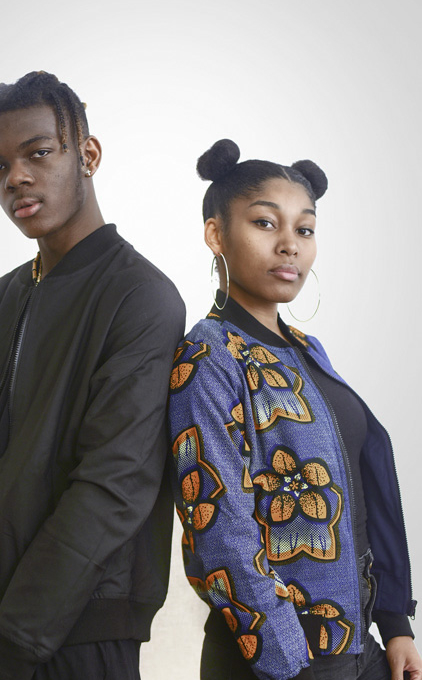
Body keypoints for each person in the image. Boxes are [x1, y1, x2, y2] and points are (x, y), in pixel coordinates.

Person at [0, 71, 185, 680]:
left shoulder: (141, 298)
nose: (15, 178)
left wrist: (14, 649)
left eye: (38, 153)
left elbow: (113, 486)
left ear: (88, 154)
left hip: (70, 642)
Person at [168, 139, 421, 680]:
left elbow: (360, 482)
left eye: (304, 230)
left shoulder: (307, 350)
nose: (289, 246)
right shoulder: (209, 357)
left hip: (357, 651)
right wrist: (288, 661)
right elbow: (218, 528)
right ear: (216, 234)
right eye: (265, 223)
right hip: (282, 662)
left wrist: (395, 624)